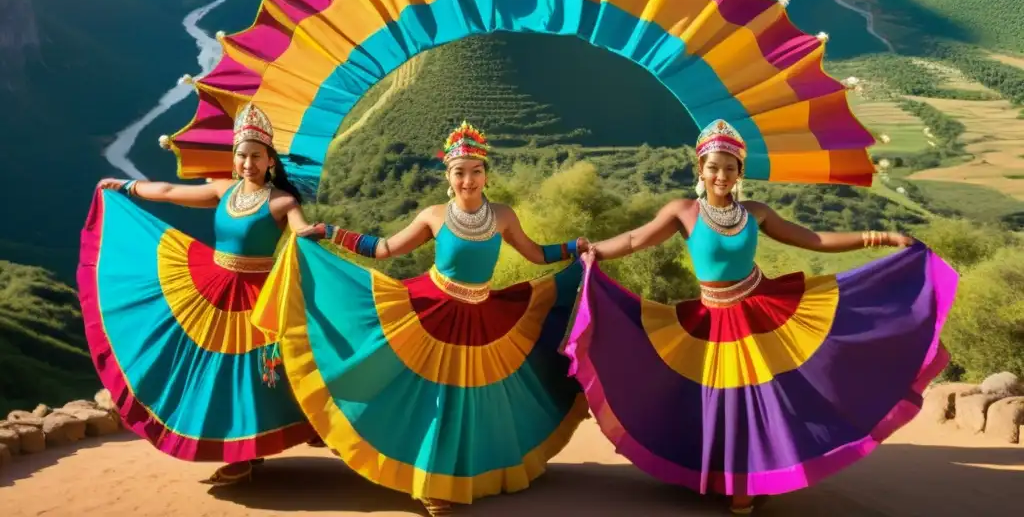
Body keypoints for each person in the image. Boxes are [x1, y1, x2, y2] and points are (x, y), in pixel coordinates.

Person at [561, 119, 957, 515]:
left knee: (759, 401)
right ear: (700, 169)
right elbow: (633, 240)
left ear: (739, 173)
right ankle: (726, 478)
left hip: (762, 311)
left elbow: (813, 239)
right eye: (713, 167)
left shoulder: (756, 213)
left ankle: (747, 486)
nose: (721, 175)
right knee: (720, 404)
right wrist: (593, 251)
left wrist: (880, 237)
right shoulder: (683, 212)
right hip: (711, 321)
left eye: (729, 168)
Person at [252, 121, 591, 516]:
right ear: (448, 176)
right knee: (437, 400)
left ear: (486, 174)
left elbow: (535, 255)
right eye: (460, 172)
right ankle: (434, 486)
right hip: (432, 312)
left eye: (476, 171)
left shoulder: (502, 216)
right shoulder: (434, 216)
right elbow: (384, 249)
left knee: (477, 401)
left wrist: (574, 248)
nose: (468, 180)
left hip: (484, 317)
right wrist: (332, 232)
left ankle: (470, 474)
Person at [79, 102, 323, 485]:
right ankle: (241, 451)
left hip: (256, 297)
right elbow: (171, 191)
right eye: (242, 156)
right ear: (235, 158)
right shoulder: (224, 190)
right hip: (212, 285)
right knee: (219, 372)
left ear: (269, 160)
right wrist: (126, 186)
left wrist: (315, 233)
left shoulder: (283, 201)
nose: (247, 164)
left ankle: (255, 448)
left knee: (253, 376)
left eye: (256, 157)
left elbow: (302, 232)